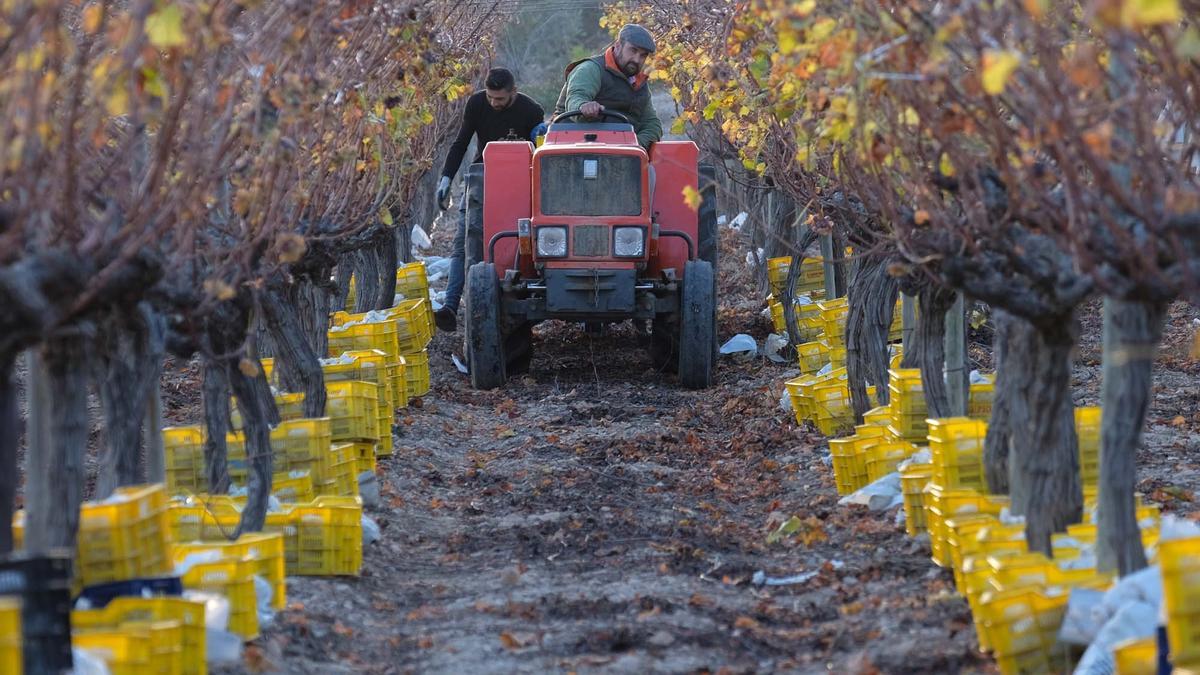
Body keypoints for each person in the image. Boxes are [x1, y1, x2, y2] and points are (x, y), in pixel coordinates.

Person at [435, 68, 544, 332]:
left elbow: (539, 152)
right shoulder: (476, 104)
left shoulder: (531, 111)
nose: (494, 103)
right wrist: (447, 179)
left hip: (519, 180)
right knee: (464, 240)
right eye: (491, 98)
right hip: (483, 175)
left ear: (513, 93)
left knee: (518, 240)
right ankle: (451, 304)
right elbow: (461, 142)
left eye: (501, 99)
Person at [554, 24, 663, 150]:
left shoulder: (639, 83)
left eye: (643, 55)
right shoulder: (590, 69)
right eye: (633, 50)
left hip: (623, 151)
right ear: (618, 45)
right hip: (576, 144)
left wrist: (636, 145)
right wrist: (583, 106)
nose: (637, 59)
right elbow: (575, 98)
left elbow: (652, 123)